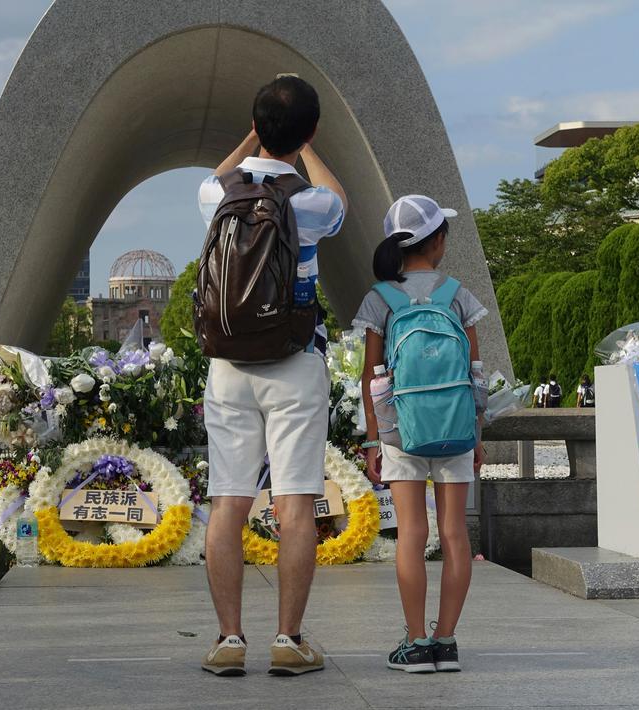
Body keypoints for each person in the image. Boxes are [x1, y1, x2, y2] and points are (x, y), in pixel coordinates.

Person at [196, 75, 347, 677]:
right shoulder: (309, 203)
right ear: (309, 132)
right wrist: (304, 147)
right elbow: (339, 196)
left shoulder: (217, 195)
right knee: (294, 505)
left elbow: (216, 172)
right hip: (293, 360)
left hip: (228, 365)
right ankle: (288, 638)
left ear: (256, 127)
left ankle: (230, 641)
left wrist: (254, 138)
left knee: (228, 502)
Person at [355, 195, 487, 674]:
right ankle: (446, 642)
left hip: (401, 433)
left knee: (412, 532)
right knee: (454, 532)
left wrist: (374, 442)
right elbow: (475, 373)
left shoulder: (381, 298)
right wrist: (476, 432)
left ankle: (415, 644)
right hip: (455, 428)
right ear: (435, 241)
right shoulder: (457, 293)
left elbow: (372, 377)